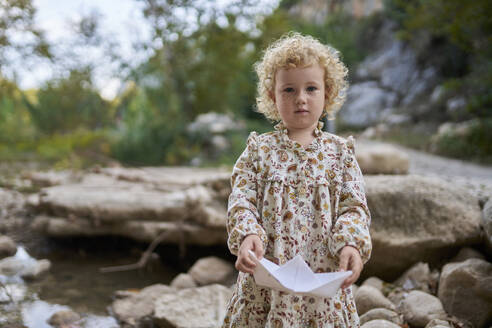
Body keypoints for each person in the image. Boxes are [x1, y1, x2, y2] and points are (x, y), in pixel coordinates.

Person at [221, 32, 372, 328]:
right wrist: (247, 234)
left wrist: (351, 244)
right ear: (272, 97)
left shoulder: (340, 154)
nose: (300, 98)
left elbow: (353, 207)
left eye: (311, 88)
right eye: (288, 89)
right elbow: (241, 200)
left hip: (322, 283)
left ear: (327, 94)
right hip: (268, 282)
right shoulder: (258, 151)